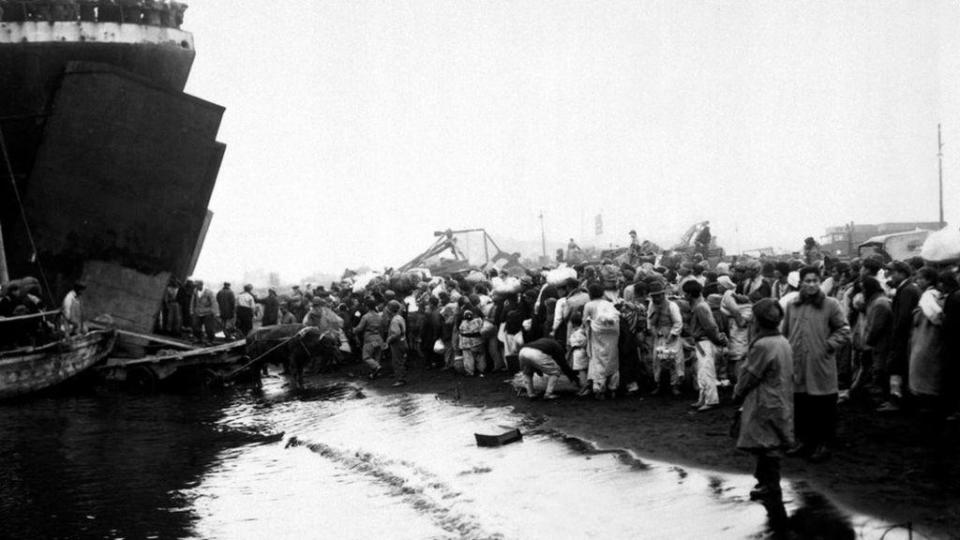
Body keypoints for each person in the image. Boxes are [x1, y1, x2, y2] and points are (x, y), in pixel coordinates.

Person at [782, 266, 850, 463]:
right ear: (801, 283)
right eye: (807, 281)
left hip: (821, 364)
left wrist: (829, 345)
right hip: (797, 364)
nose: (811, 284)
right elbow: (785, 332)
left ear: (819, 282)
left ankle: (823, 444)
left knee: (823, 405)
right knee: (801, 405)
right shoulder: (792, 305)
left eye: (815, 281)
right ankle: (803, 441)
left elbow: (844, 329)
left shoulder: (831, 304)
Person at [732, 298, 793, 506]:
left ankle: (770, 485)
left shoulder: (762, 345)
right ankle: (766, 483)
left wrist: (738, 393)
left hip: (763, 400)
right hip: (780, 397)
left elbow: (749, 374)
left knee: (766, 444)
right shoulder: (783, 341)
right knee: (771, 442)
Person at [877, 261, 921, 413]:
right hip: (904, 336)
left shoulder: (907, 290)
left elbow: (903, 318)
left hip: (902, 337)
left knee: (896, 368)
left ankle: (896, 401)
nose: (890, 275)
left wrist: (895, 337)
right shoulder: (907, 288)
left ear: (902, 272)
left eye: (893, 272)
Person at [683, 280, 728, 411]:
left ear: (690, 294)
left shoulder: (700, 307)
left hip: (704, 342)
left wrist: (718, 340)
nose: (685, 296)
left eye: (686, 294)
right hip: (702, 342)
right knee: (702, 372)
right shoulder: (700, 305)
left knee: (706, 371)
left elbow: (710, 327)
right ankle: (703, 398)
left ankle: (711, 400)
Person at [582, 282, 620, 399]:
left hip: (596, 336)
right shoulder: (609, 304)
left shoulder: (589, 305)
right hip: (612, 336)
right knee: (612, 358)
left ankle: (599, 389)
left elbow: (584, 321)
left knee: (598, 360)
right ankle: (613, 387)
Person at [647, 280, 683, 396]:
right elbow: (650, 321)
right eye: (654, 296)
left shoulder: (672, 306)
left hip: (671, 337)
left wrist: (672, 335)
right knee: (657, 361)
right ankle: (658, 384)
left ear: (663, 295)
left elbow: (678, 322)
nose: (656, 299)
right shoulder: (651, 305)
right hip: (659, 336)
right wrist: (653, 331)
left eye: (658, 296)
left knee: (674, 361)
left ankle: (675, 385)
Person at [354, 298, 384, 379]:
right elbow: (382, 328)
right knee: (376, 357)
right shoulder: (379, 316)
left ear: (367, 307)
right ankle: (374, 374)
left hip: (369, 338)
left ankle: (377, 367)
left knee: (366, 357)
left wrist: (354, 330)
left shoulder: (366, 317)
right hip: (378, 337)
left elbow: (360, 328)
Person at [385, 300, 408, 387]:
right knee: (402, 361)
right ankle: (402, 377)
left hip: (397, 344)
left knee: (397, 362)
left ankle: (400, 379)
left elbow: (396, 333)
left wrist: (388, 340)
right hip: (403, 341)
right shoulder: (400, 317)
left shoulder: (394, 320)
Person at [191, 280, 219, 344]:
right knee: (195, 326)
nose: (195, 287)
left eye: (196, 285)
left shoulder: (209, 292)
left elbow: (214, 302)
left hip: (208, 313)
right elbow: (192, 301)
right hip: (198, 312)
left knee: (209, 328)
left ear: (201, 285)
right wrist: (191, 310)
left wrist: (215, 312)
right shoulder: (195, 291)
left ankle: (210, 340)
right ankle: (199, 338)